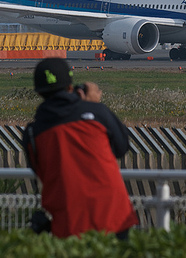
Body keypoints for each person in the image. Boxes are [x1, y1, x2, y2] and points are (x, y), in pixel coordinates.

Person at [22, 57, 138, 238]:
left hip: (68, 223)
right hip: (113, 218)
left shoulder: (33, 133)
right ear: (70, 87)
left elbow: (40, 171)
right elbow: (122, 147)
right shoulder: (96, 113)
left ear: (38, 93)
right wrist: (93, 105)